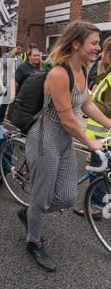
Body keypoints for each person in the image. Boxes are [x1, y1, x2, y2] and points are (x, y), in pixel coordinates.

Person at [18, 21, 111, 272]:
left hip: (65, 138)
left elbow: (87, 105)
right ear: (76, 43)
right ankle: (34, 240)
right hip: (45, 135)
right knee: (42, 195)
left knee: (68, 196)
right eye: (94, 43)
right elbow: (68, 118)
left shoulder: (83, 69)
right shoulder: (59, 74)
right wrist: (92, 144)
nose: (98, 48)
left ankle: (31, 213)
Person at [74, 36, 111, 219]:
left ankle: (97, 207)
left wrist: (91, 103)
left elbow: (108, 108)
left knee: (99, 171)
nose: (100, 52)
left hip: (103, 135)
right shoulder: (108, 73)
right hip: (102, 133)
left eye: (103, 49)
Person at [0, 45, 23, 124]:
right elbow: (4, 64)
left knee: (16, 103)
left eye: (20, 49)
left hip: (16, 82)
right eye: (18, 48)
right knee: (5, 103)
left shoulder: (20, 58)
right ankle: (0, 120)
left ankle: (13, 120)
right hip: (8, 82)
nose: (19, 50)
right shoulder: (6, 55)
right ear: (14, 48)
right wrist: (12, 54)